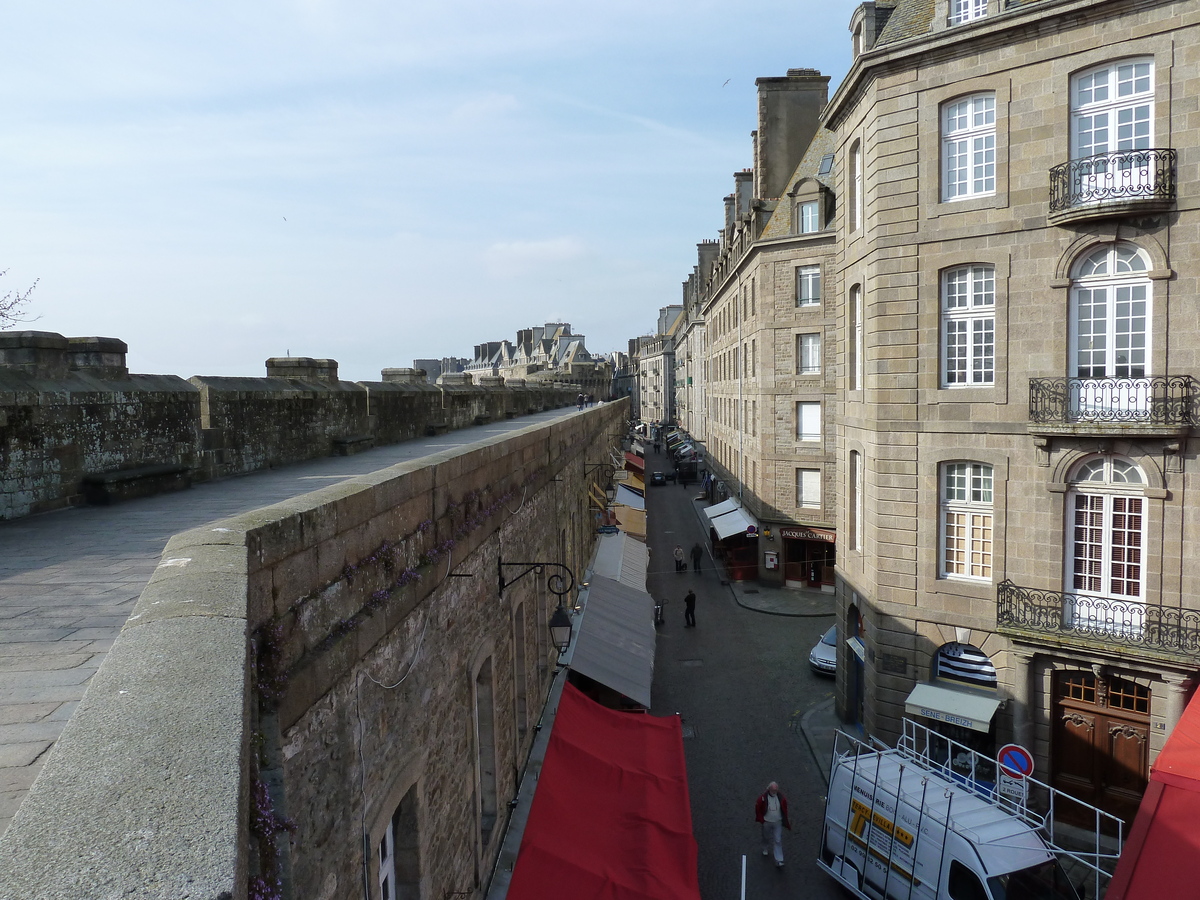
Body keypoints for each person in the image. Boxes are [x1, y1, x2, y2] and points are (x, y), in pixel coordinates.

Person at [755, 782, 791, 867]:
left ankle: (779, 860)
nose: (775, 792)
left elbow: (784, 808)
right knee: (766, 837)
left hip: (777, 822)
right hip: (767, 822)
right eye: (773, 790)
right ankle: (765, 847)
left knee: (778, 840)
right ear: (769, 789)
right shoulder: (763, 798)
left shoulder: (781, 798)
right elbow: (758, 808)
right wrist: (761, 820)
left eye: (776, 790)